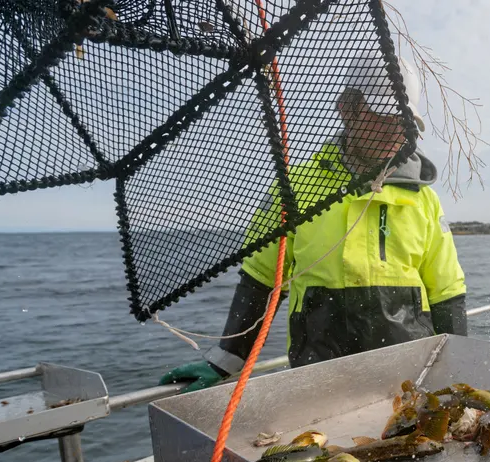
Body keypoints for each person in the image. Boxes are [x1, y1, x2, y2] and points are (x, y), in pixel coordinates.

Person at [160, 55, 467, 393]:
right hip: (318, 378)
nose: (395, 130)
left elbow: (447, 291)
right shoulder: (293, 188)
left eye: (403, 119)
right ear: (346, 108)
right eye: (382, 116)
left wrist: (455, 374)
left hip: (408, 378)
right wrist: (226, 359)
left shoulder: (424, 200)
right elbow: (261, 279)